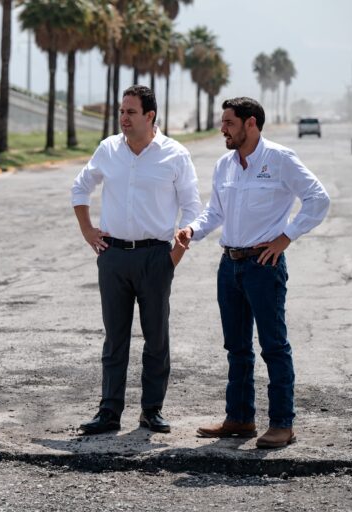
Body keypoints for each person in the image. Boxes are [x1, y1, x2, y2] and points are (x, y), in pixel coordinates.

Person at [175, 97, 330, 448]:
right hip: (229, 265)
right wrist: (191, 231)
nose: (222, 129)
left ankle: (282, 424)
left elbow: (318, 199)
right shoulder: (224, 165)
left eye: (229, 122)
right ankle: (240, 418)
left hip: (264, 265)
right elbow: (215, 212)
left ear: (251, 124)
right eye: (223, 121)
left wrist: (286, 237)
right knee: (237, 347)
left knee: (273, 346)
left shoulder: (279, 159)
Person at [71, 85, 202, 435]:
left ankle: (151, 411)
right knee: (115, 339)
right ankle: (109, 413)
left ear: (150, 116)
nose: (123, 118)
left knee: (156, 338)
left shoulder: (175, 154)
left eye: (130, 112)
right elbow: (80, 188)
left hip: (155, 257)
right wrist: (87, 230)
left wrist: (174, 253)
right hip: (112, 256)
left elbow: (192, 208)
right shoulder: (109, 149)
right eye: (121, 111)